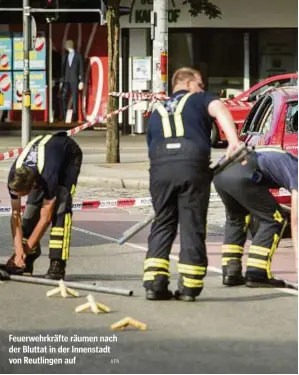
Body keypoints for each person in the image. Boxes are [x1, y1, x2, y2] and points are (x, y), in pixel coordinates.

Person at [143, 67, 241, 302]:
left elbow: (150, 144)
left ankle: (154, 284)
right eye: (200, 84)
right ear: (188, 84)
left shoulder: (156, 110)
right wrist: (233, 141)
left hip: (160, 166)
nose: (203, 88)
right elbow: (219, 108)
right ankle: (189, 286)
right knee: (192, 223)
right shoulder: (199, 99)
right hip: (191, 163)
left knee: (163, 222)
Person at [213, 147, 298, 287]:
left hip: (221, 172)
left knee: (237, 218)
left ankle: (231, 271)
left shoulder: (286, 159)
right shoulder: (296, 168)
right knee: (274, 219)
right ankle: (257, 273)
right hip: (244, 171)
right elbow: (296, 220)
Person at [4, 132, 82, 280]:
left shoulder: (48, 176)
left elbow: (45, 219)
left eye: (22, 194)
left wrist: (23, 252)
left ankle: (57, 263)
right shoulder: (14, 178)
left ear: (33, 185)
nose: (19, 197)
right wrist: (18, 250)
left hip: (68, 157)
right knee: (30, 211)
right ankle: (27, 260)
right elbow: (15, 216)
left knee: (61, 207)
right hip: (44, 160)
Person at [60, 40, 84, 122]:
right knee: (63, 96)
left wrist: (82, 81)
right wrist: (61, 80)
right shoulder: (65, 56)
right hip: (66, 79)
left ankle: (75, 116)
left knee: (75, 98)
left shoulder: (78, 56)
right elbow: (63, 69)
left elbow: (81, 68)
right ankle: (64, 115)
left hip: (74, 79)